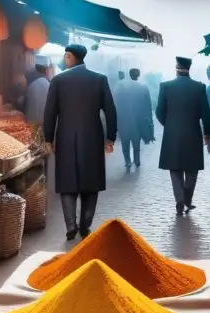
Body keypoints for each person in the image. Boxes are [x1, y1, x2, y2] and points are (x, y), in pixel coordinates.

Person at [44, 44, 117, 240]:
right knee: (90, 182)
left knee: (68, 182)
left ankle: (70, 227)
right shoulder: (99, 79)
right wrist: (110, 138)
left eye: (65, 56)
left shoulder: (58, 81)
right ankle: (85, 226)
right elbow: (110, 111)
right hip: (92, 137)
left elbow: (50, 112)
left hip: (66, 137)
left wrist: (48, 138)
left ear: (69, 57)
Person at [156, 57, 210, 215]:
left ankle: (180, 200)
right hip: (193, 133)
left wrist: (170, 124)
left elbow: (159, 112)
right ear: (189, 68)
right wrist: (208, 134)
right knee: (192, 170)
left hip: (172, 135)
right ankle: (187, 198)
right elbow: (206, 114)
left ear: (176, 68)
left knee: (175, 170)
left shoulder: (165, 86)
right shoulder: (199, 87)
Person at [114, 67, 154, 168]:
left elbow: (115, 103)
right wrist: (149, 121)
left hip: (123, 120)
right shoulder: (143, 87)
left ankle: (127, 160)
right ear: (138, 75)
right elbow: (148, 106)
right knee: (136, 142)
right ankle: (137, 160)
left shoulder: (120, 87)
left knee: (125, 142)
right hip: (138, 120)